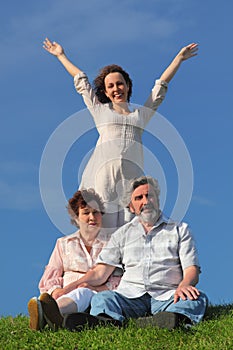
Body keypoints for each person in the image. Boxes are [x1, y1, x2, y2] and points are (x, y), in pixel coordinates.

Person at [43, 38, 198, 230]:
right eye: (111, 86)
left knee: (130, 227)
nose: (116, 89)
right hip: (104, 175)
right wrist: (61, 55)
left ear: (128, 86)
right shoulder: (101, 111)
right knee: (103, 226)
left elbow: (160, 89)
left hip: (130, 177)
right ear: (106, 92)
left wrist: (178, 59)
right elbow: (81, 81)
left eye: (120, 84)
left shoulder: (140, 115)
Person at [41, 175, 208, 331]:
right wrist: (68, 288)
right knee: (102, 298)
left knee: (197, 298)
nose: (145, 201)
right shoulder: (121, 235)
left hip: (168, 294)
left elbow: (191, 268)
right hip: (130, 296)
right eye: (138, 198)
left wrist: (184, 285)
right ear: (131, 206)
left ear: (157, 199)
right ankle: (106, 321)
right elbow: (99, 273)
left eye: (149, 196)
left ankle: (173, 318)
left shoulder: (180, 230)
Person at [27, 189, 122, 331]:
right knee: (74, 294)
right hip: (65, 295)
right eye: (86, 212)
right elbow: (50, 277)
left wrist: (95, 288)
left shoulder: (112, 244)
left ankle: (49, 313)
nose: (92, 217)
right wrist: (56, 291)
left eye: (96, 212)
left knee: (83, 292)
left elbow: (118, 280)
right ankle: (50, 312)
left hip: (97, 296)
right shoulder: (63, 244)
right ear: (76, 217)